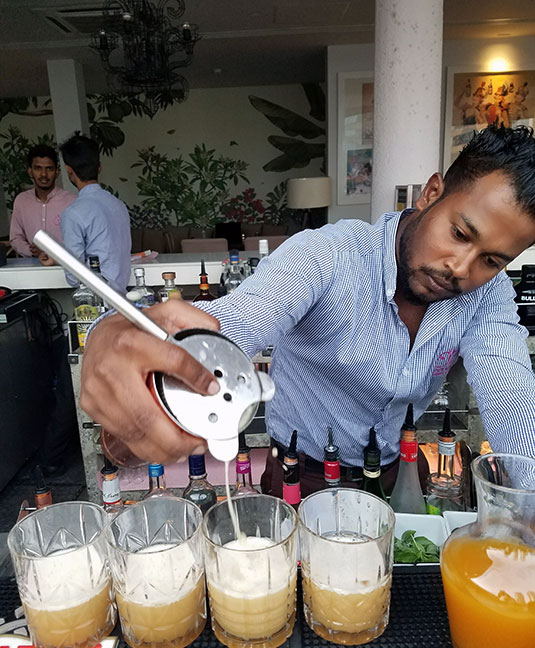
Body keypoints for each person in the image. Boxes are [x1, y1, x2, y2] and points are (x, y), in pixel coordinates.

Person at [80, 125, 535, 496]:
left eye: (491, 260)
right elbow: (230, 326)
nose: (460, 268)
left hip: (397, 474)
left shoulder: (485, 295)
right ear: (431, 193)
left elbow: (513, 404)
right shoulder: (326, 257)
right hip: (303, 474)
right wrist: (121, 337)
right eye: (459, 234)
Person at [59, 133, 131, 294]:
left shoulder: (73, 214)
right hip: (123, 298)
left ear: (69, 170)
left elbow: (74, 275)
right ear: (99, 167)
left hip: (96, 302)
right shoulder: (118, 205)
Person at [9, 144, 75, 262]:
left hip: (65, 269)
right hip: (32, 269)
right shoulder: (21, 201)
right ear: (30, 171)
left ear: (57, 172)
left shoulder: (71, 201)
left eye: (49, 168)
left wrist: (54, 252)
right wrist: (32, 251)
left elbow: (78, 241)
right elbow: (15, 238)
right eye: (38, 168)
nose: (43, 174)